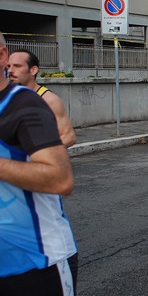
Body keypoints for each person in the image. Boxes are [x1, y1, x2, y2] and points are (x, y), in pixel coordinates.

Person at [0, 33, 78, 295]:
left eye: (17, 65)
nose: (13, 69)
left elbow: (61, 174)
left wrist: (35, 151)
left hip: (36, 261)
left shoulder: (31, 102)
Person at [7, 49, 77, 147]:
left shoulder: (48, 100)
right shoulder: (6, 97)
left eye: (17, 66)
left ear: (33, 70)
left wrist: (37, 154)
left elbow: (69, 137)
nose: (10, 70)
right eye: (9, 66)